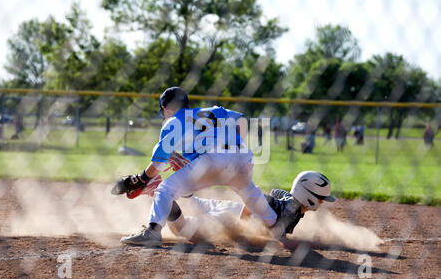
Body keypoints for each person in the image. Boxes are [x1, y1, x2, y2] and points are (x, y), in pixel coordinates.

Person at [111, 86, 278, 246]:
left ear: (165, 108)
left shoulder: (173, 122)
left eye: (163, 112)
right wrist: (236, 146)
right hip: (243, 156)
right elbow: (240, 119)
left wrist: (141, 179)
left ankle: (153, 232)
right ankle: (275, 225)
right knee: (248, 190)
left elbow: (159, 162)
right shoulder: (212, 111)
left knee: (165, 189)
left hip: (213, 159)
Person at [140, 171, 336, 248]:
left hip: (230, 209)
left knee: (197, 204)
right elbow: (260, 197)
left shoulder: (291, 201)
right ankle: (161, 193)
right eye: (320, 199)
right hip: (230, 217)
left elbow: (276, 192)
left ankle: (164, 191)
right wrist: (240, 225)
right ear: (309, 197)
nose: (321, 203)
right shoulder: (291, 211)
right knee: (183, 229)